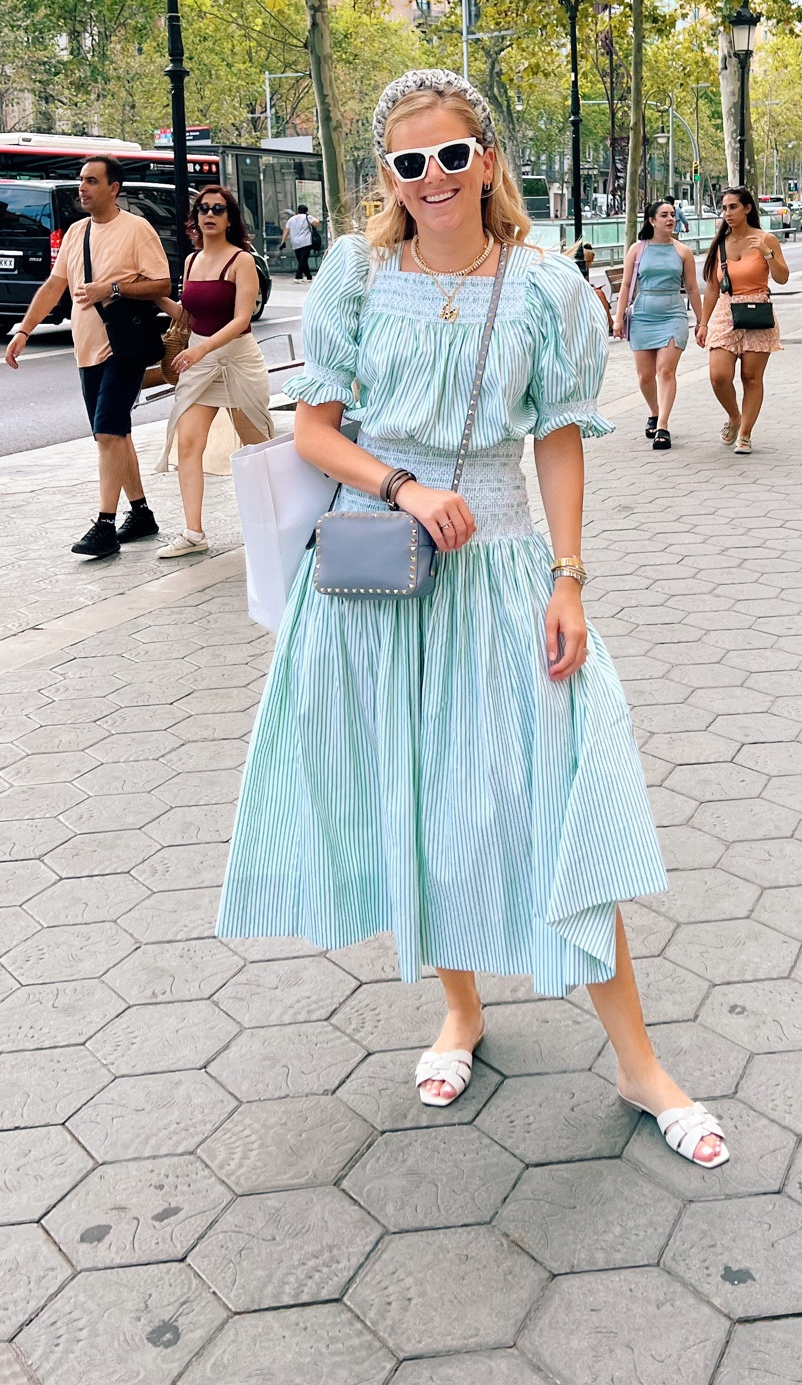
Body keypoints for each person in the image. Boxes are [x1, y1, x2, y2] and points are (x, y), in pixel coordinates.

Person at [216, 67, 729, 1169]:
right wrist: (402, 486)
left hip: (501, 573)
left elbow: (557, 437)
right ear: (388, 176)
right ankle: (459, 1010)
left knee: (556, 793)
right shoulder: (356, 274)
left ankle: (639, 1062)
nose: (434, 177)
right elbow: (315, 431)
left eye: (453, 154)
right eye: (411, 163)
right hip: (379, 575)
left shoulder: (546, 287)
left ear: (487, 159)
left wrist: (569, 576)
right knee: (417, 793)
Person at [6, 156, 171, 556]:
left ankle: (105, 525)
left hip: (123, 346)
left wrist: (111, 289)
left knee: (108, 433)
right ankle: (141, 513)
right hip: (86, 349)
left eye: (92, 181)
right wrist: (24, 330)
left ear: (114, 188)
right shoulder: (76, 233)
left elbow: (163, 283)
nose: (82, 187)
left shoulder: (137, 229)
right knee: (115, 434)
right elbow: (54, 285)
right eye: (81, 180)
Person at [154, 185, 275, 558]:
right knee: (188, 443)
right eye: (203, 209)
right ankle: (194, 532)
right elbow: (189, 316)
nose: (209, 214)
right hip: (200, 362)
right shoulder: (191, 262)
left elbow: (241, 320)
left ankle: (277, 521)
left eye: (218, 209)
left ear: (229, 219)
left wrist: (202, 349)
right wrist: (151, 294)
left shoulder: (242, 261)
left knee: (257, 448)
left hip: (237, 360)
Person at [696, 187, 788, 453]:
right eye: (724, 208)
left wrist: (767, 254)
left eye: (733, 207)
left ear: (747, 208)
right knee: (719, 376)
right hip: (726, 312)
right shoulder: (720, 243)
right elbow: (712, 287)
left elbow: (782, 278)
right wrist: (703, 323)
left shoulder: (766, 239)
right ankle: (734, 416)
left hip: (757, 311)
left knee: (751, 377)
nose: (727, 213)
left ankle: (745, 434)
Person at [616, 199, 703, 450]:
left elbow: (692, 288)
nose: (670, 219)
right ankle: (654, 412)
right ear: (652, 220)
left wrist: (702, 321)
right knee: (645, 377)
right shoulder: (637, 249)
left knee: (665, 371)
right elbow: (625, 285)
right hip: (643, 315)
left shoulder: (683, 252)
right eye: (664, 215)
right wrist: (618, 318)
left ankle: (663, 426)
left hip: (673, 315)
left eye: (672, 214)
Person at [570, 239, 613, 326]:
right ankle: (610, 323)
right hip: (578, 291)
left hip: (584, 289)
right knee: (600, 294)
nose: (590, 263)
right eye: (588, 261)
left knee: (600, 294)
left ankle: (609, 322)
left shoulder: (585, 267)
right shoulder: (578, 266)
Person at [284, 203, 318, 280]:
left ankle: (309, 276)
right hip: (305, 242)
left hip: (295, 243)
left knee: (302, 260)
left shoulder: (291, 219)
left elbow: (286, 231)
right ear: (306, 211)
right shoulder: (307, 217)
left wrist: (283, 241)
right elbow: (317, 223)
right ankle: (298, 276)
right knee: (303, 260)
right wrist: (309, 216)